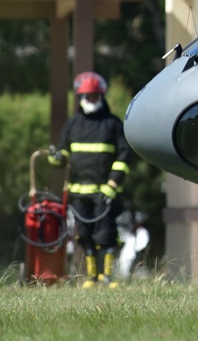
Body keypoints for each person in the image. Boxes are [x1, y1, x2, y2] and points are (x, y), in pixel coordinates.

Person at [48, 71, 131, 289]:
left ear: (101, 96)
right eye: (87, 96)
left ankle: (107, 277)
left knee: (106, 234)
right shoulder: (73, 124)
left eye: (94, 96)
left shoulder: (112, 124)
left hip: (104, 193)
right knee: (83, 235)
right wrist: (56, 158)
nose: (90, 100)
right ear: (80, 98)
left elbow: (124, 155)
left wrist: (113, 185)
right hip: (78, 194)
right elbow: (64, 154)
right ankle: (92, 277)